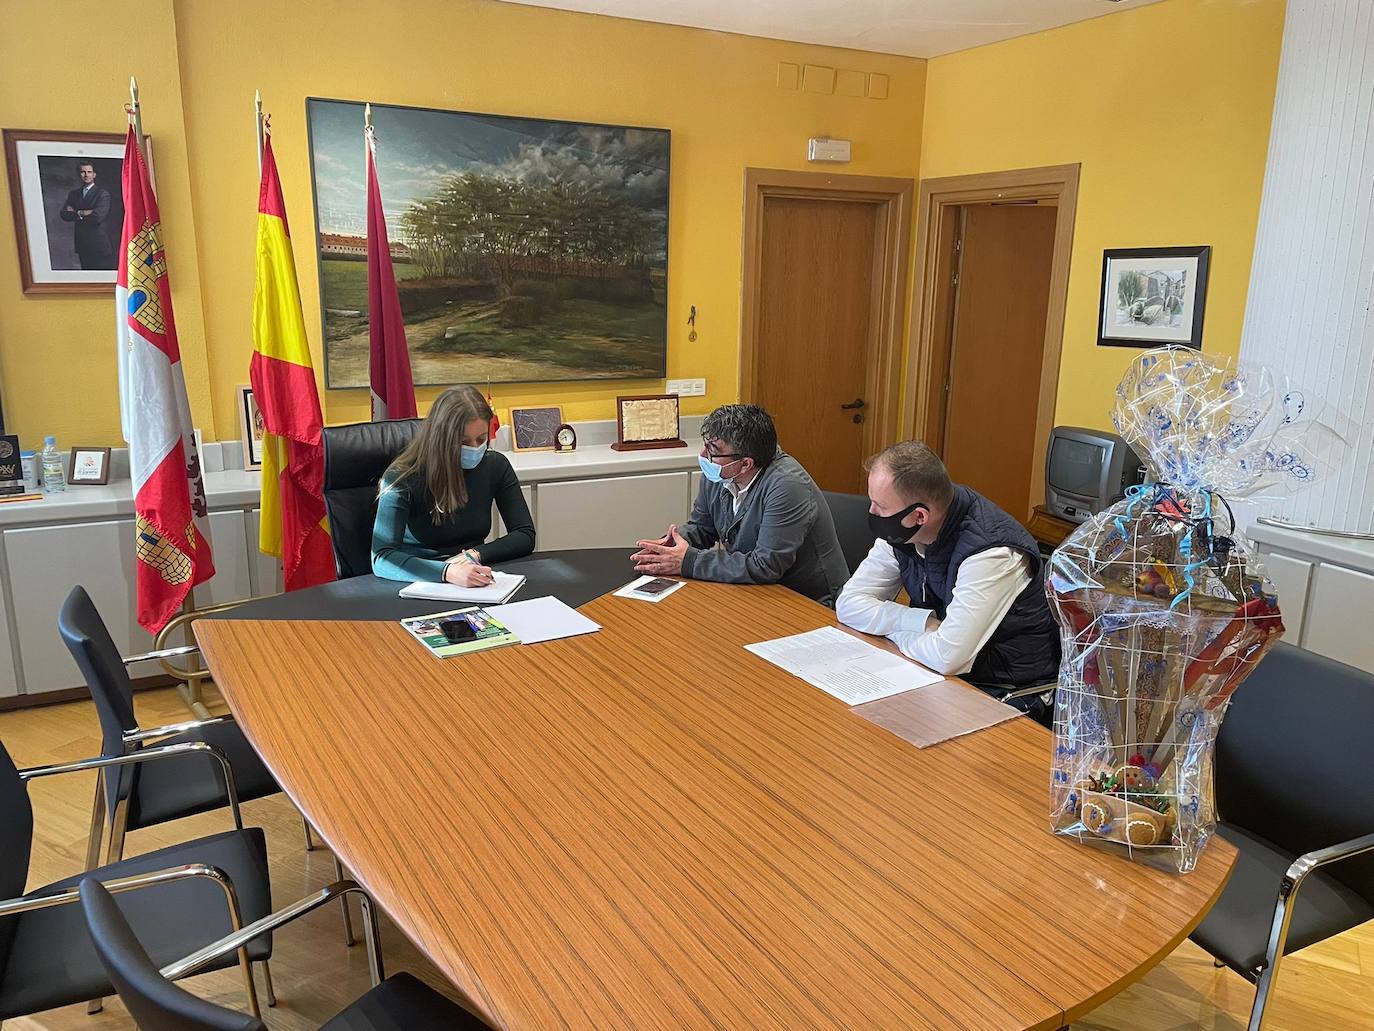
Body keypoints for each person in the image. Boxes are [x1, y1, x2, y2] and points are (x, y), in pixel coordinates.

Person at [836, 440, 1060, 698]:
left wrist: (889, 631)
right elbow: (849, 604)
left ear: (920, 516)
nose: (872, 512)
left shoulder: (992, 551)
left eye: (881, 506)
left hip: (1003, 692)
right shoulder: (904, 535)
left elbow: (947, 656)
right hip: (935, 675)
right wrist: (922, 623)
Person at [631, 404, 849, 606]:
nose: (703, 455)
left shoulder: (787, 485)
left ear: (745, 464)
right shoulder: (719, 472)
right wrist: (670, 547)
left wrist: (688, 562)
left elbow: (766, 565)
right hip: (754, 591)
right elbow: (702, 528)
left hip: (806, 602)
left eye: (713, 449)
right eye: (706, 445)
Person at [372, 385, 535, 585]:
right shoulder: (402, 477)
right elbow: (381, 557)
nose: (475, 448)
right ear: (441, 439)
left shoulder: (495, 465)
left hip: (474, 575)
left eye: (481, 439)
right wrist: (447, 572)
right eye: (464, 441)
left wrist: (475, 555)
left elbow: (524, 534)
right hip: (419, 579)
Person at [58, 162, 115, 270]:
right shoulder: (73, 194)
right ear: (79, 174)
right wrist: (83, 213)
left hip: (98, 244)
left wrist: (76, 213)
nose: (86, 175)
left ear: (94, 175)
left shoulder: (102, 194)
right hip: (82, 243)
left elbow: (97, 217)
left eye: (89, 172)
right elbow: (64, 214)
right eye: (83, 172)